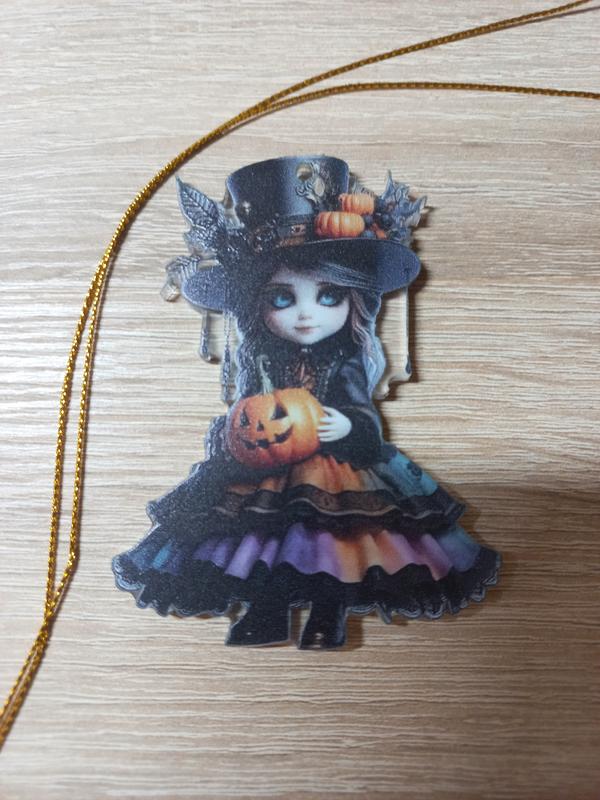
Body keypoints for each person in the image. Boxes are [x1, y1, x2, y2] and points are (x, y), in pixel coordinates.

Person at [112, 155, 501, 648]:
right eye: (281, 298)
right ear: (256, 305)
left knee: (331, 543)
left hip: (336, 465)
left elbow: (364, 418)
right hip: (266, 466)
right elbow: (247, 412)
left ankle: (328, 614)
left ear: (354, 300)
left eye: (328, 296)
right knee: (262, 541)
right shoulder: (260, 360)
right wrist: (230, 435)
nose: (304, 315)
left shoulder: (345, 359)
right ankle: (266, 613)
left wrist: (350, 425)